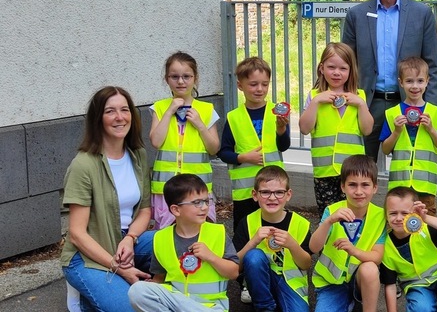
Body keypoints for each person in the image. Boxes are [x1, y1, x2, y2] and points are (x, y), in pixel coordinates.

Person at [341, 0, 437, 163]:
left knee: (407, 172)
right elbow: (344, 63)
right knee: (360, 171)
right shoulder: (356, 15)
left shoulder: (421, 14)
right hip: (367, 104)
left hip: (408, 104)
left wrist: (431, 110)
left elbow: (433, 66)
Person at [61, 86, 154, 312]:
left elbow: (144, 210)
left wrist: (130, 238)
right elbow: (77, 233)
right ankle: (83, 293)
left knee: (180, 243)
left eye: (125, 110)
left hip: (124, 243)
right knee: (130, 307)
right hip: (86, 254)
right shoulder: (84, 165)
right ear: (98, 119)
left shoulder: (138, 155)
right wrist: (120, 269)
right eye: (110, 111)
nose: (119, 117)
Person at [128, 174, 239, 311]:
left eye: (206, 201)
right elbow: (160, 277)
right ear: (176, 209)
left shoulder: (218, 233)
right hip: (177, 303)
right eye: (197, 203)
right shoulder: (161, 238)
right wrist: (154, 287)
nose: (204, 207)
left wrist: (211, 257)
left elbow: (234, 273)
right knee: (137, 290)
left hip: (210, 307)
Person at [298, 42, 373, 214]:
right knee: (329, 216)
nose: (337, 73)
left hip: (354, 173)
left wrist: (361, 105)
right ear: (322, 68)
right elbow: (304, 128)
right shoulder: (314, 96)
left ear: (350, 70)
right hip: (325, 172)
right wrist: (316, 102)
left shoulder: (359, 96)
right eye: (331, 67)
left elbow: (367, 129)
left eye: (343, 68)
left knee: (354, 215)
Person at [149, 51, 221, 229]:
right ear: (167, 79)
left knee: (199, 234)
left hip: (197, 189)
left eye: (186, 76)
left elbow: (214, 148)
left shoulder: (206, 110)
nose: (180, 81)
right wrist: (169, 112)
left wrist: (200, 124)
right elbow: (156, 142)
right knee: (167, 236)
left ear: (195, 78)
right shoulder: (159, 107)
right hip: (165, 190)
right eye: (175, 77)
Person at [219, 56, 291, 229]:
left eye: (265, 84)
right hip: (245, 192)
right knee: (244, 230)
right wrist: (243, 157)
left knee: (275, 229)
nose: (260, 89)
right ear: (240, 85)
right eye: (253, 84)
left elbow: (283, 146)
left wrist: (281, 131)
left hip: (273, 190)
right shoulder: (234, 117)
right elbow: (223, 152)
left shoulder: (277, 112)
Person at [309, 155, 386, 312]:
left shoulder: (381, 216)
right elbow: (314, 247)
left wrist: (353, 250)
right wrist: (329, 221)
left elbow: (377, 257)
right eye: (352, 185)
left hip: (360, 281)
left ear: (375, 188)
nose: (359, 191)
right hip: (331, 283)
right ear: (343, 187)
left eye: (365, 185)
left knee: (370, 269)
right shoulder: (331, 211)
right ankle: (349, 303)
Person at [233, 166, 312, 312]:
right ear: (255, 195)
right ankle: (265, 307)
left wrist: (292, 245)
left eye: (279, 192)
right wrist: (253, 242)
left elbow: (306, 264)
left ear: (288, 195)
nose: (272, 197)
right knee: (254, 256)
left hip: (290, 284)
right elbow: (234, 266)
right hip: (260, 282)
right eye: (265, 192)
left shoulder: (300, 224)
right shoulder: (247, 222)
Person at [380, 186, 437, 312]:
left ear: (414, 213)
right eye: (393, 213)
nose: (399, 218)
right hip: (416, 284)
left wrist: (425, 218)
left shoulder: (426, 228)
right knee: (421, 308)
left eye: (405, 213)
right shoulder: (385, 245)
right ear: (386, 215)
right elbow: (390, 285)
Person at [380, 56, 437, 215]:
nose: (415, 86)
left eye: (419, 81)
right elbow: (385, 149)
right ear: (401, 82)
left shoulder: (436, 114)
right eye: (409, 81)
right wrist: (396, 131)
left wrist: (431, 129)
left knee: (425, 225)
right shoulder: (392, 114)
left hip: (425, 186)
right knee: (398, 225)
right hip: (400, 186)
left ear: (427, 81)